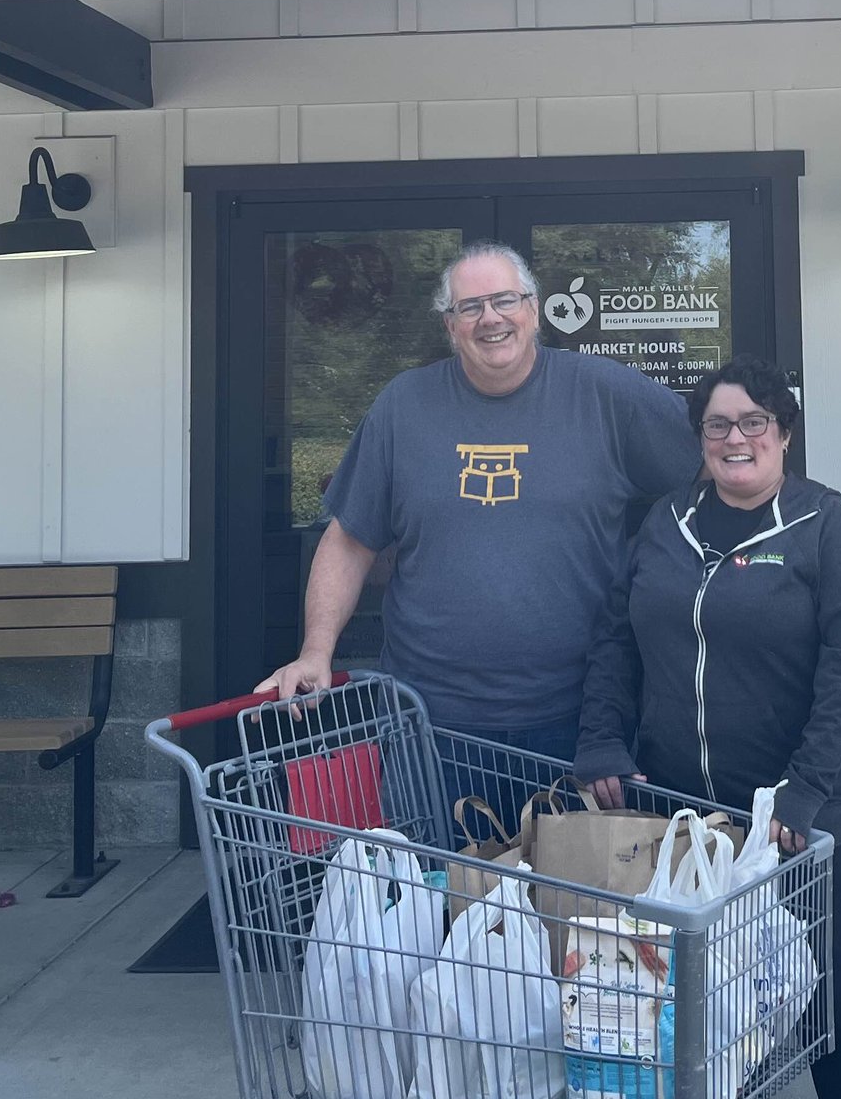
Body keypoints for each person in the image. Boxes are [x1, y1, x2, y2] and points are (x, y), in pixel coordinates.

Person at [575, 357, 841, 1099]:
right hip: (682, 809)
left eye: (754, 421)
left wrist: (806, 786)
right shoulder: (666, 519)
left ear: (783, 433)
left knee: (824, 1003)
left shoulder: (825, 524)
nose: (736, 437)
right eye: (718, 424)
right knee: (715, 997)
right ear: (701, 439)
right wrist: (601, 738)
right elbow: (618, 637)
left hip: (793, 815)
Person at [260, 242, 701, 774]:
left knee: (563, 862)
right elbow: (351, 540)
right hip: (427, 721)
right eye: (470, 307)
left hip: (582, 717)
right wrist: (315, 651)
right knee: (436, 862)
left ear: (534, 310)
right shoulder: (404, 405)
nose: (490, 318)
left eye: (504, 300)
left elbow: (714, 467)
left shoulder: (605, 394)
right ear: (450, 327)